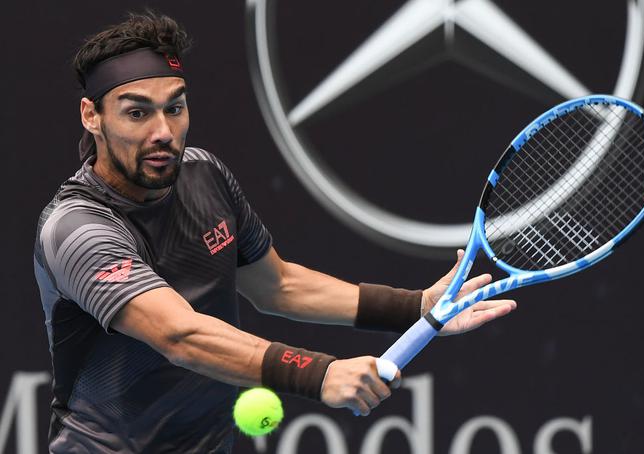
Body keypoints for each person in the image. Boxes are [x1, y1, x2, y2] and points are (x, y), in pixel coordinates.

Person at [33, 11, 517, 453]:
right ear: (91, 116)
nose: (163, 131)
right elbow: (179, 334)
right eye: (137, 113)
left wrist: (415, 307)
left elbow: (278, 285)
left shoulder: (205, 175)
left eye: (175, 108)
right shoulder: (78, 229)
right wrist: (320, 373)